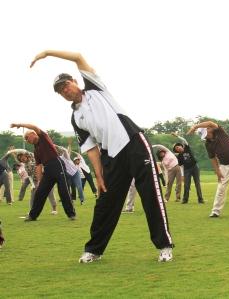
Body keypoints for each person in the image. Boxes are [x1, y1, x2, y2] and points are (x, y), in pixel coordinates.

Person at [30, 50, 173, 263]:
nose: (65, 91)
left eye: (66, 85)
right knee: (105, 202)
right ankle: (94, 250)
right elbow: (91, 148)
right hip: (111, 156)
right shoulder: (76, 117)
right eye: (61, 91)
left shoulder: (95, 88)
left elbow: (78, 57)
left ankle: (164, 246)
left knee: (150, 194)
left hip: (134, 143)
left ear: (74, 81)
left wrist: (47, 53)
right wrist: (98, 175)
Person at [9, 124, 75, 220]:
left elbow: (34, 127)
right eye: (26, 140)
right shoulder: (36, 150)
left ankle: (71, 215)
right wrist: (40, 181)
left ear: (33, 134)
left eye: (27, 138)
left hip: (57, 165)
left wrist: (19, 124)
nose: (27, 141)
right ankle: (32, 216)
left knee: (63, 191)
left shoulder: (43, 138)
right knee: (40, 192)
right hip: (47, 169)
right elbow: (38, 165)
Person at [187, 121, 229, 218]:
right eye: (205, 136)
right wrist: (217, 171)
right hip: (224, 166)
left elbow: (210, 122)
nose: (206, 137)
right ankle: (216, 211)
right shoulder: (208, 144)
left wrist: (195, 126)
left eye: (207, 134)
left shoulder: (219, 131)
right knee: (221, 188)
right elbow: (212, 158)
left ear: (209, 130)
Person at [12, 149, 58, 214]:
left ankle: (54, 209)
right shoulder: (25, 166)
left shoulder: (33, 157)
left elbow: (25, 151)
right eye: (20, 159)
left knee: (50, 193)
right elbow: (30, 176)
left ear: (25, 156)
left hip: (45, 177)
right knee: (33, 194)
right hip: (35, 180)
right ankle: (31, 210)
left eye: (22, 157)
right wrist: (33, 185)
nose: (22, 159)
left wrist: (14, 151)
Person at [172, 133, 204, 204]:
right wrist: (182, 175)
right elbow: (181, 166)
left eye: (178, 146)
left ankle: (200, 199)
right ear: (176, 151)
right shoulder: (179, 156)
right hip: (187, 170)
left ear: (181, 146)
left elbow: (184, 140)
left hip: (195, 167)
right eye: (176, 148)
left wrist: (177, 136)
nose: (178, 148)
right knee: (186, 184)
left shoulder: (187, 148)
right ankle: (185, 199)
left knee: (197, 183)